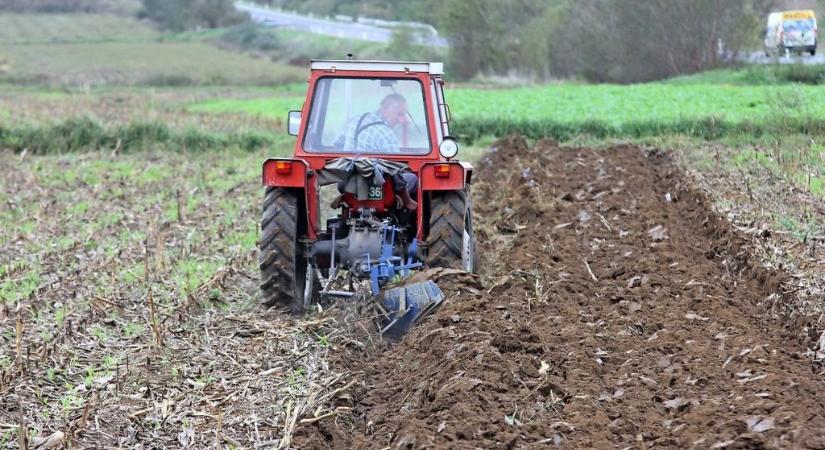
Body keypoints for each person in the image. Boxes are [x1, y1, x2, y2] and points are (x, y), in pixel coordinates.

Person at [334, 93, 418, 210]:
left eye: (403, 115)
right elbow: (395, 168)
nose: (401, 119)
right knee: (413, 178)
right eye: (399, 114)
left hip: (348, 181)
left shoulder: (356, 120)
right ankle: (407, 219)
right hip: (379, 187)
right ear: (383, 109)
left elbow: (337, 143)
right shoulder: (386, 133)